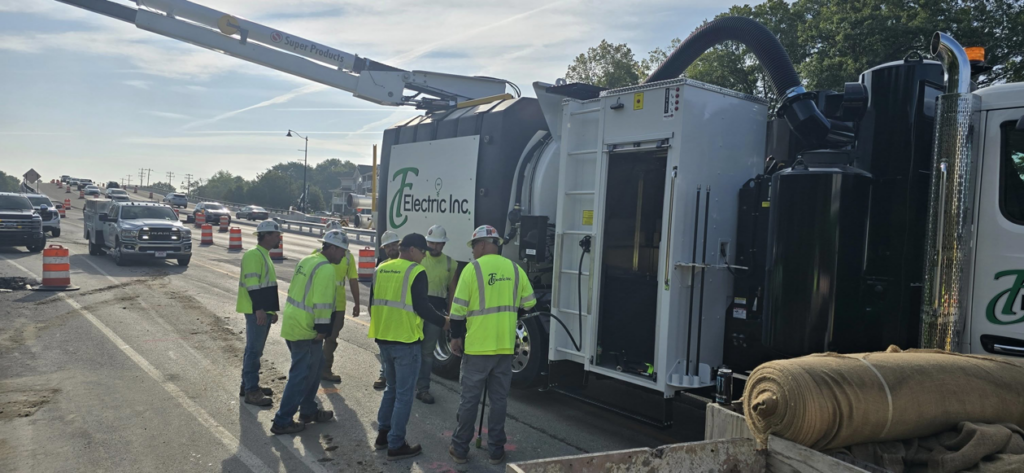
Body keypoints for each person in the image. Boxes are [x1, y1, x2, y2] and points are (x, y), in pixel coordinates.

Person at [448, 225, 536, 465]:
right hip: (505, 348)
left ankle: (460, 448)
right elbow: (530, 303)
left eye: (474, 246)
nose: (473, 251)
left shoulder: (472, 270)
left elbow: (457, 310)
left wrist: (456, 337)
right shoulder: (515, 269)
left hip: (477, 348)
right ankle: (496, 450)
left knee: (470, 400)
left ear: (485, 244)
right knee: (499, 400)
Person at [368, 233, 449, 460]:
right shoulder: (416, 271)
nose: (423, 258)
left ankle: (383, 435)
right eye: (423, 253)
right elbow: (422, 307)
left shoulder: (381, 267)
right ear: (413, 250)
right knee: (404, 395)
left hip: (384, 338)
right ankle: (396, 444)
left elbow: (373, 303)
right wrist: (444, 322)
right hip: (406, 340)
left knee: (391, 389)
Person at [269, 230, 348, 435]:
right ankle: (282, 420)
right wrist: (322, 330)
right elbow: (322, 303)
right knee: (301, 374)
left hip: (294, 322)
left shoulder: (307, 260)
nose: (344, 256)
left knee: (316, 366)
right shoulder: (326, 269)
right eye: (342, 251)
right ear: (332, 248)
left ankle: (308, 410)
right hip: (308, 328)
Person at [236, 220, 282, 407]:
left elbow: (266, 286)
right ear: (267, 235)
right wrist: (260, 310)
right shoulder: (254, 255)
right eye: (277, 235)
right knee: (254, 351)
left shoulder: (263, 255)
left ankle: (247, 385)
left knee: (255, 350)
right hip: (255, 310)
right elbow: (253, 285)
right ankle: (251, 391)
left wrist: (271, 310)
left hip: (261, 309)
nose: (279, 238)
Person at [415, 224, 459, 404]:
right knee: (409, 349)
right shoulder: (419, 259)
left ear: (443, 245)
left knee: (427, 352)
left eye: (438, 243)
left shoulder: (451, 263)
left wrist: (450, 316)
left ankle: (423, 389)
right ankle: (401, 384)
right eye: (431, 243)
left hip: (435, 312)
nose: (434, 247)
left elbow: (452, 291)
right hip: (415, 309)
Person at [316, 222, 360, 383]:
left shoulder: (347, 256)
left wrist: (357, 303)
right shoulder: (317, 255)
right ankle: (314, 367)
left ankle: (325, 369)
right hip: (319, 303)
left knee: (331, 337)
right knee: (316, 336)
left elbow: (353, 280)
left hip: (338, 304)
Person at [373, 230, 401, 390]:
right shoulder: (381, 267)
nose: (391, 249)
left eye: (393, 245)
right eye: (388, 246)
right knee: (385, 350)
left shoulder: (407, 265)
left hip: (402, 314)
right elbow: (374, 294)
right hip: (385, 315)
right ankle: (384, 375)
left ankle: (394, 377)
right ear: (383, 249)